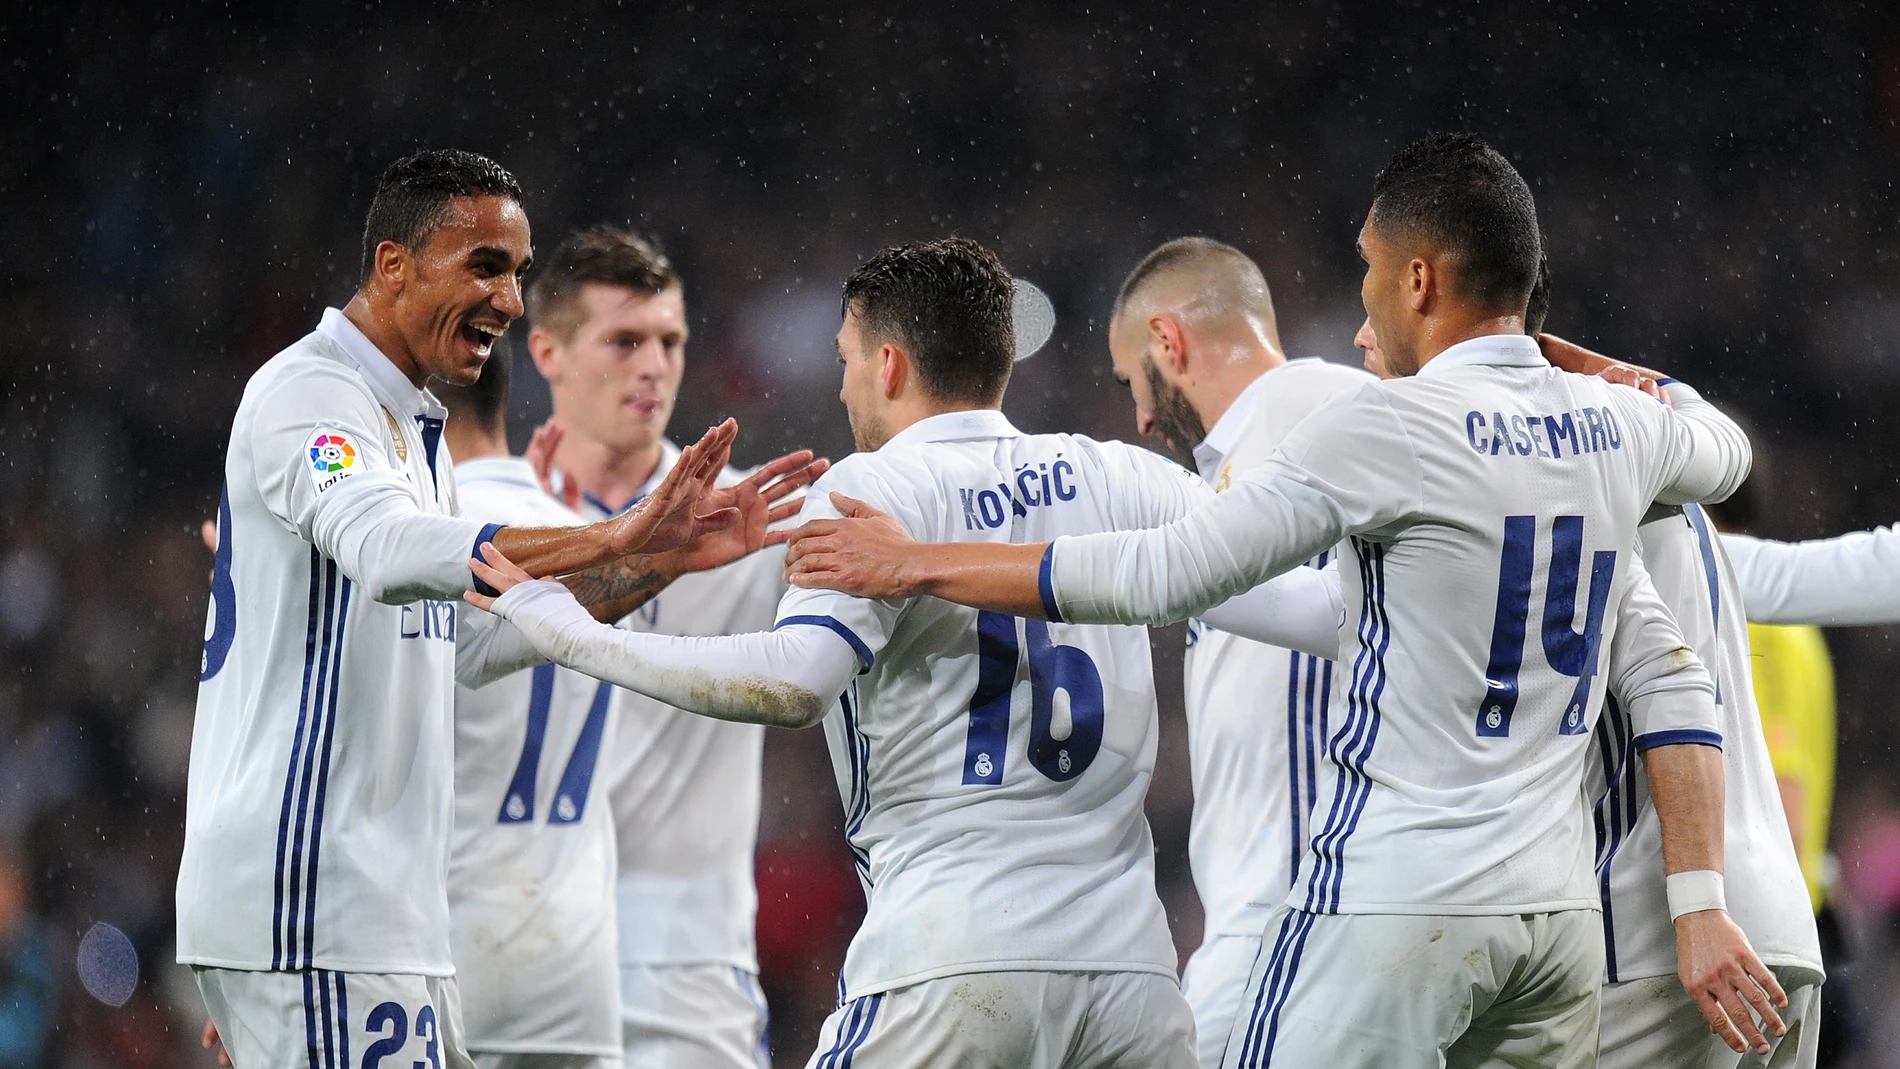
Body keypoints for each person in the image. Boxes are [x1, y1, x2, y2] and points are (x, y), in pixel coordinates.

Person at [779, 134, 1781, 1067]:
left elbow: (1156, 573)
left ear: (1419, 278)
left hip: (1403, 899)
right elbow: (1722, 451)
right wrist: (1600, 373)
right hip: (1557, 925)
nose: (1361, 303)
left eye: (1369, 268)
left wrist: (919, 564)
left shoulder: (1381, 429)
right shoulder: (1617, 427)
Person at [468, 237, 1206, 1068]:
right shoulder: (1119, 476)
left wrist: (573, 633)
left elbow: (795, 683)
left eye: (846, 358)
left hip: (954, 957)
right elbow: (1299, 584)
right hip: (1134, 973)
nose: (841, 382)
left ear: (889, 364)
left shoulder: (876, 486)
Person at [180, 149, 814, 1069]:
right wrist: (612, 534)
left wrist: (654, 559)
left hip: (387, 924)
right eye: (486, 267)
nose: (511, 301)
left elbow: (471, 638)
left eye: (518, 274)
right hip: (320, 907)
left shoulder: (416, 438)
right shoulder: (311, 396)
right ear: (394, 265)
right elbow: (388, 548)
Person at [1359, 304, 1828, 1066]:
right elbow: (1695, 410)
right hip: (1777, 924)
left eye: (1376, 310)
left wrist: (1696, 904)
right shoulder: (1653, 432)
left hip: (1662, 932)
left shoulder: (1554, 483)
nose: (1362, 338)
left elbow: (1666, 692)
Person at [519, 226, 795, 1068]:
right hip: (508, 952)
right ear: (547, 352)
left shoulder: (751, 520)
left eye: (670, 341)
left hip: (683, 966)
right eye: (625, 340)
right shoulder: (474, 516)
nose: (655, 366)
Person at [1104, 236, 1372, 1067]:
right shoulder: (1231, 471)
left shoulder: (1321, 409)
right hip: (1273, 917)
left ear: (1168, 343)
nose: (1142, 419)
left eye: (1134, 382)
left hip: (1299, 917)